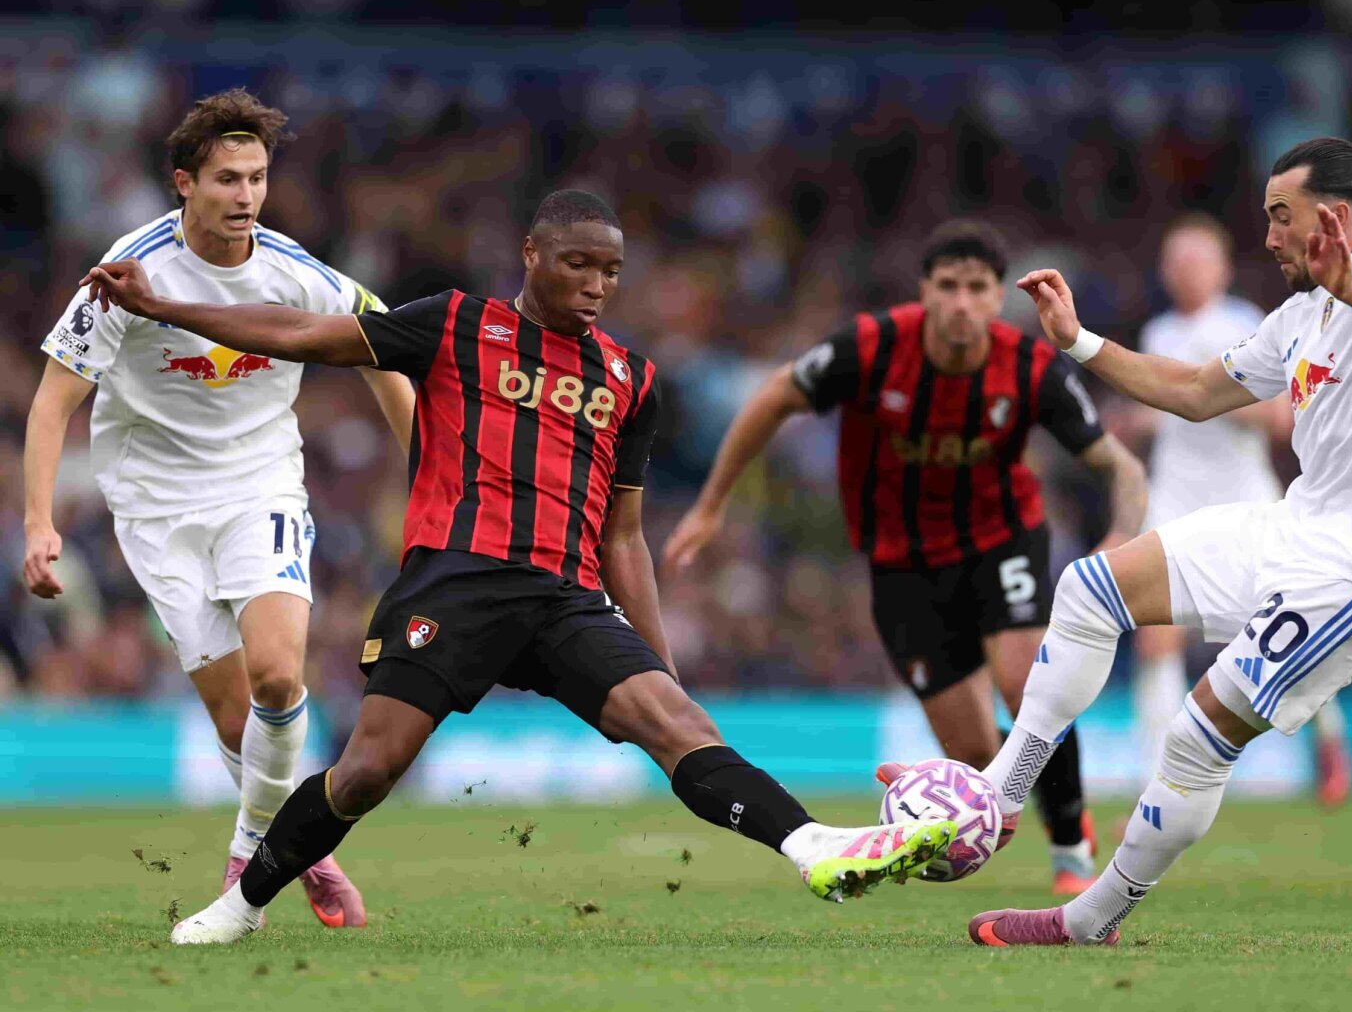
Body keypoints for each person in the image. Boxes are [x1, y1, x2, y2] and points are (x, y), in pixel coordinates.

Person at [82, 189, 956, 946]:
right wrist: (170, 309)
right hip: (456, 582)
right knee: (367, 772)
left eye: (611, 272)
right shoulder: (456, 323)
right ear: (532, 255)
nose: (597, 285)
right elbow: (304, 332)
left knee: (680, 725)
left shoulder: (632, 379)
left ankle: (814, 848)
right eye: (579, 264)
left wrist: (658, 666)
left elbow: (624, 537)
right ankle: (242, 904)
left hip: (566, 597)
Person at [960, 138, 1352, 946]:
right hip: (1296, 529)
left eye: (1281, 216)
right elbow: (1195, 391)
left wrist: (1350, 284)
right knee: (1090, 587)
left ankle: (1090, 917)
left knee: (1196, 737)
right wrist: (1080, 341)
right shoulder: (1297, 317)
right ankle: (1003, 792)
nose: (1268, 236)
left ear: (1334, 216)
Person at [22, 89, 419, 928]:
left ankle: (252, 857)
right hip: (154, 507)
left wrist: (430, 473)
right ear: (184, 182)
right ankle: (297, 847)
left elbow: (386, 352)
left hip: (258, 484)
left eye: (257, 178)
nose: (246, 196)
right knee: (236, 716)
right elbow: (54, 400)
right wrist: (38, 521)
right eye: (227, 179)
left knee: (278, 675)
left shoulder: (294, 272)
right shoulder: (129, 272)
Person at [665, 219, 1148, 894]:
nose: (960, 302)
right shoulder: (872, 348)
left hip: (1000, 544)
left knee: (1029, 684)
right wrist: (712, 504)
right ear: (925, 291)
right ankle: (994, 796)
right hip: (902, 565)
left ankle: (1071, 844)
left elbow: (1122, 466)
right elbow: (775, 394)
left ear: (996, 296)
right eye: (947, 286)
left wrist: (1116, 539)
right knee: (974, 753)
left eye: (976, 288)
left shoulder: (1029, 365)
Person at [1129, 214, 1352, 808]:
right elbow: (1159, 410)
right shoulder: (1157, 333)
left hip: (1243, 496)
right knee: (1155, 637)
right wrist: (1143, 417)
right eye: (1176, 262)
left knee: (1287, 628)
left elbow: (1279, 417)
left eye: (1196, 260)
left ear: (1221, 269)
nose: (1185, 272)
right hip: (1174, 496)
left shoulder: (1244, 324)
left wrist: (1206, 396)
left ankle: (1328, 737)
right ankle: (1161, 782)